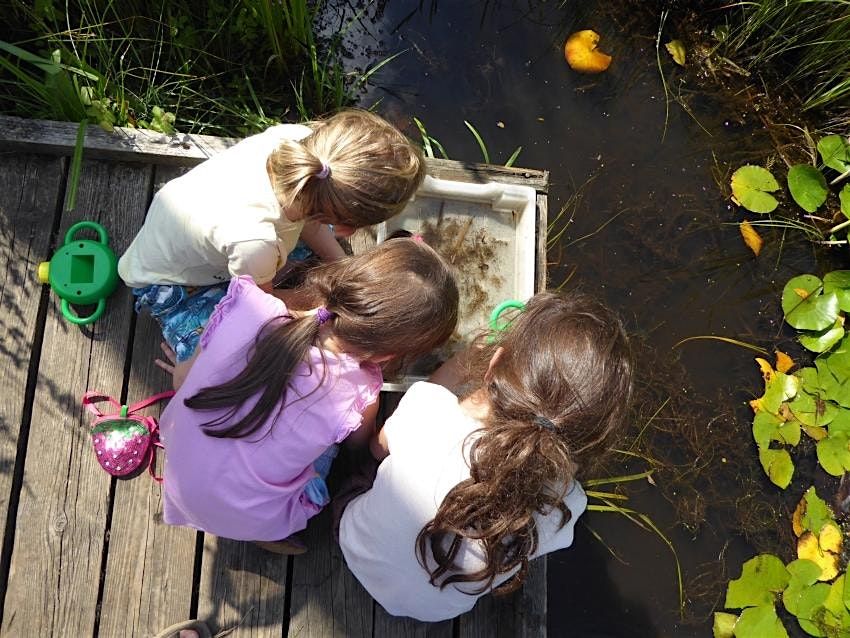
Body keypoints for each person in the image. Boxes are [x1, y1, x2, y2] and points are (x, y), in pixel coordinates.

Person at [337, 291, 633, 621]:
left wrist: (468, 360)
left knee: (364, 475)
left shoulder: (431, 411)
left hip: (355, 545)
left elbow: (378, 448)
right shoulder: (568, 505)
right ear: (591, 437)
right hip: (432, 610)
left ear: (492, 366)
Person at [153, 238, 458, 557]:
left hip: (179, 478)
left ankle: (250, 523)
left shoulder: (250, 304)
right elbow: (359, 446)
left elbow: (187, 376)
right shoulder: (359, 390)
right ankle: (264, 531)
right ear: (388, 356)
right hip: (246, 515)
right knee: (329, 451)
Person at [119, 108, 425, 364]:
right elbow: (259, 302)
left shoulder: (298, 145)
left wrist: (343, 265)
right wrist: (323, 309)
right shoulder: (256, 241)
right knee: (239, 351)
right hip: (172, 281)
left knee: (298, 259)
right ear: (348, 227)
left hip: (203, 226)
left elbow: (311, 221)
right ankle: (187, 357)